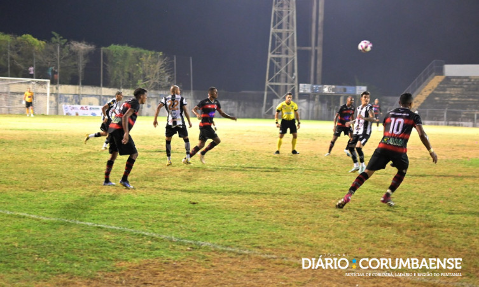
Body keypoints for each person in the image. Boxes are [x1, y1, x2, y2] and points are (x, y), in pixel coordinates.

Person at [336, 92, 438, 209]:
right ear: (411, 104)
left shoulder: (389, 114)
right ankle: (387, 195)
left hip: (383, 146)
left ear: (399, 103)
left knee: (367, 172)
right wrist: (431, 151)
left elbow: (386, 132)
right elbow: (422, 134)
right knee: (403, 170)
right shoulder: (413, 116)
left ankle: (348, 195)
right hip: (398, 149)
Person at [103, 88, 148, 188]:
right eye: (145, 96)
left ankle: (106, 180)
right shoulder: (135, 103)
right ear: (141, 96)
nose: (146, 98)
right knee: (134, 154)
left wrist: (111, 129)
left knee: (114, 154)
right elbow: (125, 117)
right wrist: (126, 133)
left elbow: (119, 114)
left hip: (113, 128)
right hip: (119, 130)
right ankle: (124, 179)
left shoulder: (128, 101)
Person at [190, 87, 237, 164]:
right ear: (211, 94)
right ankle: (202, 153)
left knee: (201, 145)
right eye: (215, 92)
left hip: (208, 125)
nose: (217, 93)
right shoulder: (204, 102)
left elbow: (221, 113)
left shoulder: (216, 103)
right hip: (204, 126)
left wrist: (230, 117)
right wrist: (197, 114)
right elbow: (194, 109)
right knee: (217, 140)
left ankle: (186, 159)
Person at [153, 85, 193, 166]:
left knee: (168, 140)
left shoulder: (165, 98)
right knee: (186, 139)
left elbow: (158, 107)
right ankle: (188, 158)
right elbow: (185, 110)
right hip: (180, 122)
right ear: (175, 91)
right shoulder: (181, 98)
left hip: (170, 122)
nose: (179, 92)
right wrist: (189, 121)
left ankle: (169, 160)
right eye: (178, 90)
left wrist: (155, 119)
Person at [347, 91, 378, 173]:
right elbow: (358, 119)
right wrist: (351, 122)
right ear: (361, 98)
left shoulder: (369, 107)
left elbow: (373, 118)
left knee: (358, 147)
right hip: (357, 131)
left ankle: (363, 165)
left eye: (368, 97)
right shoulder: (358, 108)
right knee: (350, 147)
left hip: (365, 132)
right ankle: (356, 165)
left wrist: (364, 118)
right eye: (365, 97)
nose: (366, 99)